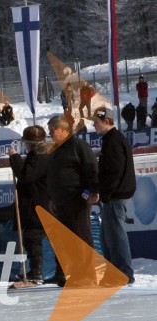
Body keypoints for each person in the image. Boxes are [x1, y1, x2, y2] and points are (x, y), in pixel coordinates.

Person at [46, 115, 99, 286]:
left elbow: (92, 170)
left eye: (52, 130)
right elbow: (55, 176)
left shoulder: (78, 146)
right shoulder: (56, 149)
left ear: (63, 129)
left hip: (77, 200)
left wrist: (90, 192)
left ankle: (88, 276)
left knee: (81, 238)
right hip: (61, 202)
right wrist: (53, 198)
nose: (50, 133)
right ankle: (76, 274)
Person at [89, 107, 136, 285]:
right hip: (113, 195)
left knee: (115, 235)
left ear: (107, 121)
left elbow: (114, 171)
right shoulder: (110, 140)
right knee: (108, 236)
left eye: (96, 122)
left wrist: (104, 194)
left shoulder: (114, 141)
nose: (94, 126)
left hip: (116, 196)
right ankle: (115, 272)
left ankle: (123, 273)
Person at [8, 125, 51, 282]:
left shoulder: (39, 157)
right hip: (37, 202)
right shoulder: (38, 155)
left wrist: (14, 158)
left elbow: (26, 176)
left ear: (31, 143)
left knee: (32, 236)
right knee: (31, 237)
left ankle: (37, 271)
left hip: (39, 204)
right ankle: (36, 270)